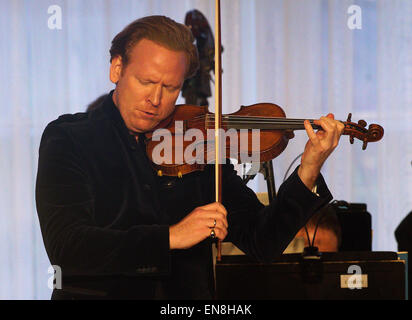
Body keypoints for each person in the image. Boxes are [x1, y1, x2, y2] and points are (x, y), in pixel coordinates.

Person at [35, 15, 344, 299]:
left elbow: (261, 240)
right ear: (117, 68)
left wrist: (309, 167)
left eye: (171, 88)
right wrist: (171, 237)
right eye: (146, 82)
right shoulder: (70, 138)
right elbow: (67, 247)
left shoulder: (197, 142)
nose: (155, 100)